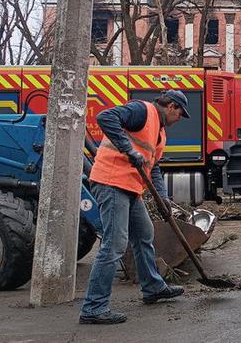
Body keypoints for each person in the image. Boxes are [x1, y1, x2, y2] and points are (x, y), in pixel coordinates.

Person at [79, 90, 190, 325]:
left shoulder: (160, 133)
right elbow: (105, 117)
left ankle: (152, 287)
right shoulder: (142, 111)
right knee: (115, 243)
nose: (180, 118)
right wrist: (128, 150)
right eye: (180, 113)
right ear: (171, 106)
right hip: (111, 181)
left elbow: (154, 167)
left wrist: (163, 200)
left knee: (144, 234)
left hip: (130, 187)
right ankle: (94, 307)